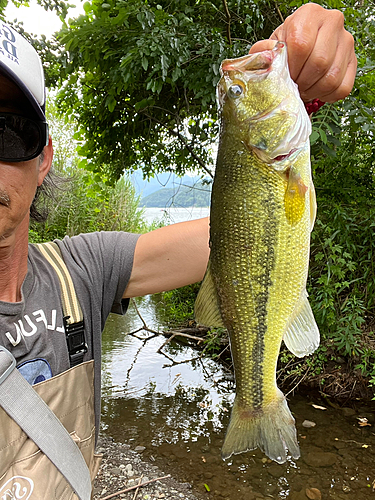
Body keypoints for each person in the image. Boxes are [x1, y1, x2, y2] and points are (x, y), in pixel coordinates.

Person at [0, 3, 356, 499]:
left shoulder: (80, 272)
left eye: (6, 132)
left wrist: (297, 95)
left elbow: (242, 237)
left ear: (42, 160)